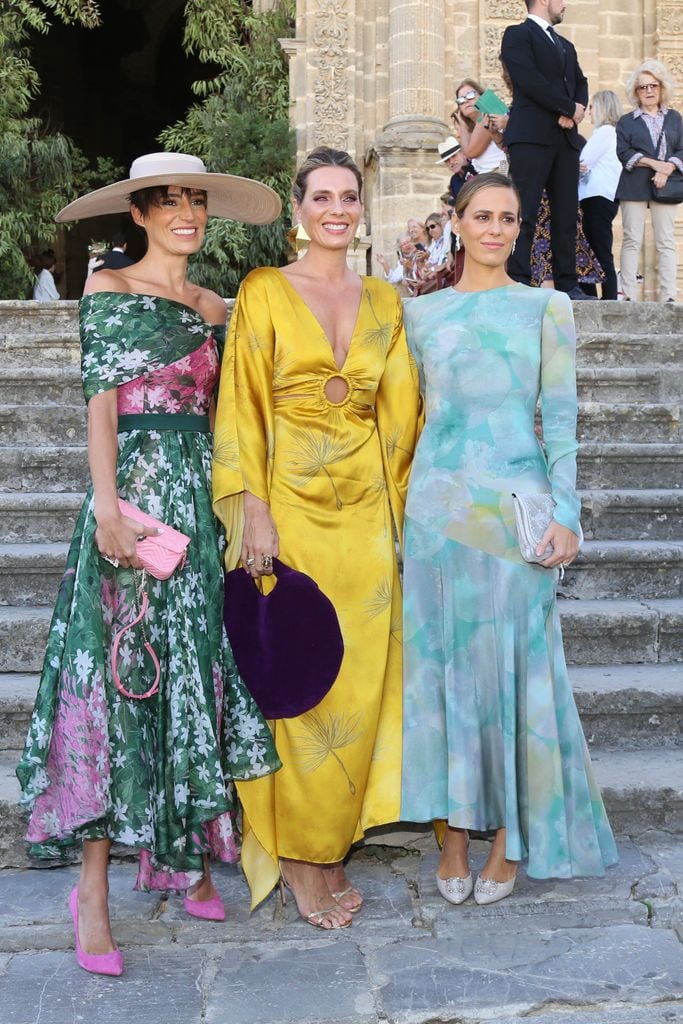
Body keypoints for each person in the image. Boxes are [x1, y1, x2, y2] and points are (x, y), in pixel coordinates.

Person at [16, 152, 282, 976]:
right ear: (138, 214)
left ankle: (183, 854)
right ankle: (91, 893)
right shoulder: (110, 290)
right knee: (115, 678)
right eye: (167, 202)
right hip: (130, 499)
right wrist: (105, 507)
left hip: (195, 509)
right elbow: (101, 404)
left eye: (195, 201)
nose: (185, 215)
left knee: (190, 673)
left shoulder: (216, 306)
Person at [212, 146, 420, 930]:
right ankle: (299, 860)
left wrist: (409, 519)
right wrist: (252, 510)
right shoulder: (264, 291)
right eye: (321, 196)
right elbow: (241, 405)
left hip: (365, 521)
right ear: (299, 209)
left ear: (359, 207)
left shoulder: (384, 300)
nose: (336, 209)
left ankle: (332, 848)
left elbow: (400, 420)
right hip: (290, 513)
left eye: (348, 197)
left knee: (357, 694)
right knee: (299, 687)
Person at [401, 172, 618, 908]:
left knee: (518, 675)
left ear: (520, 228)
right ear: (455, 222)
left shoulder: (546, 308)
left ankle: (508, 844)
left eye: (508, 218)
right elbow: (407, 421)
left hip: (517, 512)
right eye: (482, 216)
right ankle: (454, 837)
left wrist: (568, 513)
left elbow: (558, 421)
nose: (495, 229)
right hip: (435, 515)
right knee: (443, 678)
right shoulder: (420, 317)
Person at [501, 0, 590, 300]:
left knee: (566, 213)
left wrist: (576, 110)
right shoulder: (517, 34)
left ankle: (568, 283)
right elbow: (528, 79)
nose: (564, 4)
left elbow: (581, 81)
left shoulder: (566, 45)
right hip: (531, 136)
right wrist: (565, 107)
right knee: (523, 209)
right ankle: (517, 277)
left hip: (565, 139)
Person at [615, 59, 683, 303]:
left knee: (665, 240)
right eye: (642, 87)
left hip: (666, 185)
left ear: (662, 88)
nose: (649, 91)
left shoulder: (675, 118)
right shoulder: (626, 121)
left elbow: (681, 149)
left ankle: (668, 296)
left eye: (653, 85)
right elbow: (623, 153)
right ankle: (629, 295)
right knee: (632, 239)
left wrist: (667, 169)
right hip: (633, 185)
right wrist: (655, 164)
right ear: (636, 92)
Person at [578, 90, 623, 299]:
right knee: (594, 248)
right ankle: (602, 295)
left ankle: (608, 298)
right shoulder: (612, 134)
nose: (589, 113)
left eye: (592, 107)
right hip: (601, 198)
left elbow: (583, 163)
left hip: (596, 198)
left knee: (597, 249)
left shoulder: (605, 132)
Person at [451, 80, 507, 175]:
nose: (466, 100)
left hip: (500, 173)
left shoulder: (489, 106)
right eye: (460, 99)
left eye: (470, 95)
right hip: (488, 176)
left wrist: (462, 129)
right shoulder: (475, 124)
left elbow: (470, 153)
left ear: (481, 96)